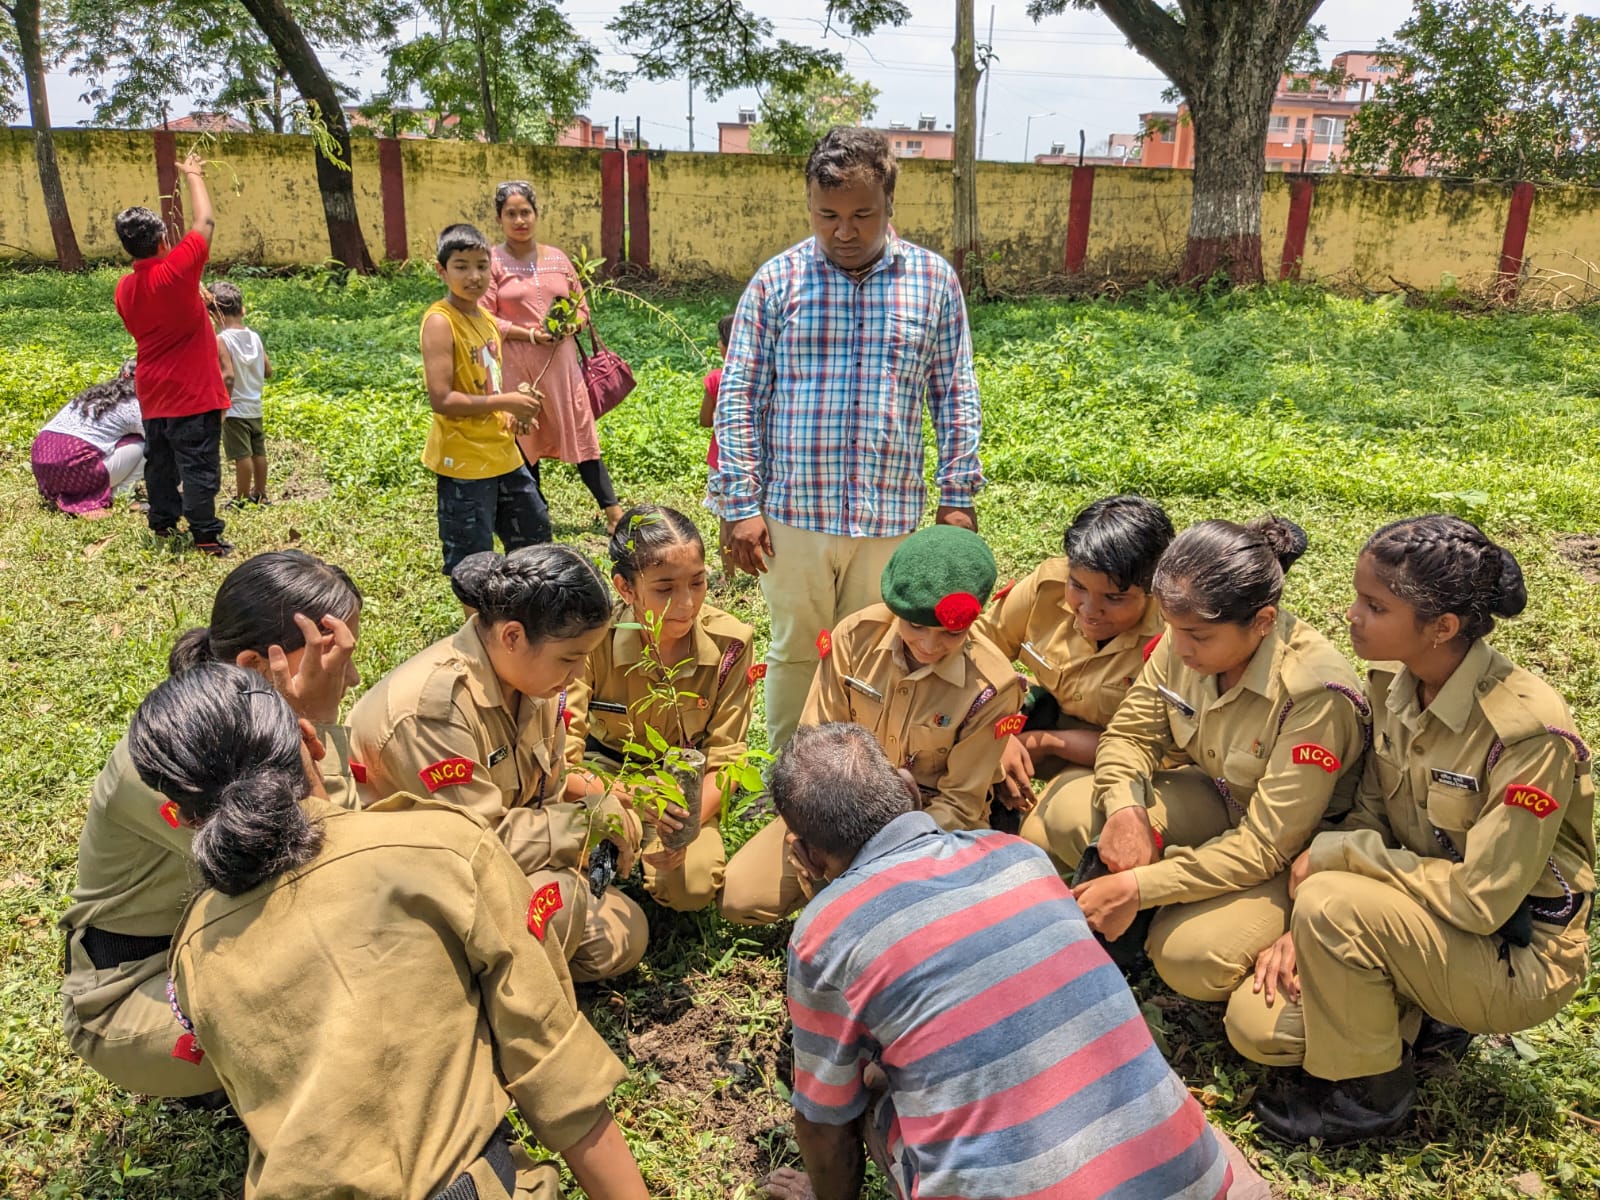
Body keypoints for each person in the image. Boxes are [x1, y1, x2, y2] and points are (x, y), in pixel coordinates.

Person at [138, 664, 651, 1200]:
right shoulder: (439, 847)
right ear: (310, 739)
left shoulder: (195, 948)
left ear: (180, 817)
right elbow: (558, 1076)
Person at [1230, 516, 1595, 1146]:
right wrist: (1305, 929)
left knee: (1329, 901)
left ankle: (1365, 1102)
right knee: (1259, 1029)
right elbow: (1375, 810)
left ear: (1443, 627)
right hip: (1428, 915)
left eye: (1375, 606)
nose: (1351, 616)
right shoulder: (1401, 687)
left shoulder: (1525, 734)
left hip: (1516, 952)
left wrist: (1341, 862)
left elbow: (1483, 900)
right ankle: (1423, 1011)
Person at [762, 722, 1236, 1200]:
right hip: (1191, 1180)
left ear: (806, 853)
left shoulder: (825, 933)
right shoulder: (1019, 856)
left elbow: (824, 1119)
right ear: (909, 791)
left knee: (870, 1089)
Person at [708, 126, 983, 753]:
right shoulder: (776, 283)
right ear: (810, 206)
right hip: (792, 514)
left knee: (877, 652)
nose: (844, 230)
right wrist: (740, 505)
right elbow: (740, 396)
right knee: (797, 651)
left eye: (863, 214)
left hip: (888, 514)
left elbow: (954, 392)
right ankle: (789, 776)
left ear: (890, 205)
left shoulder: (933, 282)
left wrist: (958, 493)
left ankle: (857, 780)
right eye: (826, 215)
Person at [58, 551, 361, 1098]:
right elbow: (336, 865)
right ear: (254, 666)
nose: (352, 676)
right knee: (352, 997)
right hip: (133, 994)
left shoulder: (248, 727)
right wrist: (317, 722)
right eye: (330, 659)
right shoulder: (181, 762)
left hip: (218, 946)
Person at [1063, 517, 1370, 1012]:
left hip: (1297, 855)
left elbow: (1268, 847)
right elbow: (1130, 735)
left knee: (1190, 956)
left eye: (1199, 638)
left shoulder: (1314, 694)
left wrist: (1141, 886)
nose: (1180, 648)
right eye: (1172, 629)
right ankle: (1133, 928)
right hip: (1221, 798)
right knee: (1073, 813)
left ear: (1264, 621)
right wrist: (1125, 810)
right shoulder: (1185, 629)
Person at [348, 545, 647, 983]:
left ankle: (495, 976)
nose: (579, 673)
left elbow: (548, 789)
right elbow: (474, 846)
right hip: (414, 892)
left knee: (621, 935)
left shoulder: (531, 679)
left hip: (498, 864)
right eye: (569, 658)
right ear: (512, 636)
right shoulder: (433, 711)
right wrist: (586, 827)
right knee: (561, 905)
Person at [720, 525, 1020, 925]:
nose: (929, 646)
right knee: (742, 898)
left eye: (950, 633)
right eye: (914, 626)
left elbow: (960, 804)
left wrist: (876, 857)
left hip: (926, 828)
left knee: (910, 927)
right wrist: (805, 832)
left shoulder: (991, 685)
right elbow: (814, 747)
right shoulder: (854, 637)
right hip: (835, 810)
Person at [564, 506, 756, 913]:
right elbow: (561, 762)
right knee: (570, 847)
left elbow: (727, 759)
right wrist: (631, 797)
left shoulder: (731, 644)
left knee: (692, 887)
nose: (686, 604)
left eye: (698, 583)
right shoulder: (592, 640)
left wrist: (684, 824)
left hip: (685, 786)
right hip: (607, 772)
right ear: (626, 587)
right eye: (665, 589)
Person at [975, 494, 1174, 846]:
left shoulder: (1173, 637)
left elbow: (1159, 753)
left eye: (1114, 598)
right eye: (1078, 587)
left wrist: (1050, 743)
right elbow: (977, 652)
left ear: (1153, 591)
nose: (1090, 609)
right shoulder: (1046, 587)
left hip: (1123, 761)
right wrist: (997, 733)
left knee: (1046, 833)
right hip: (1047, 722)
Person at [485, 181, 624, 534]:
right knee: (524, 436)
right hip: (518, 364)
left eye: (525, 212)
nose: (520, 220)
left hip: (561, 366)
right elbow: (484, 318)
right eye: (511, 214)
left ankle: (613, 512)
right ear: (500, 219)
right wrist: (529, 333)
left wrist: (571, 325)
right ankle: (536, 513)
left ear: (536, 214)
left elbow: (581, 307)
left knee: (580, 431)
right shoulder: (490, 262)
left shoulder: (558, 258)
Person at [113, 148, 232, 556]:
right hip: (193, 394)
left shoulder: (124, 289)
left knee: (159, 463)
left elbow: (139, 330)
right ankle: (205, 534)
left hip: (152, 392)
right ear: (163, 239)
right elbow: (206, 222)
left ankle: (163, 523)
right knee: (199, 467)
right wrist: (193, 174)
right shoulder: (177, 270)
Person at [422, 222, 550, 576]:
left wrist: (513, 412)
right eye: (461, 266)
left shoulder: (487, 321)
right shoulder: (440, 322)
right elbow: (442, 399)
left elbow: (488, 388)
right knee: (472, 561)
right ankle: (477, 629)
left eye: (481, 266)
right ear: (442, 271)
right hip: (463, 460)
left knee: (535, 539)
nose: (473, 276)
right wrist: (507, 401)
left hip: (502, 453)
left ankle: (524, 617)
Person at [30, 359, 145, 518]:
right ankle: (121, 496)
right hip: (74, 467)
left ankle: (66, 493)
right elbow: (161, 444)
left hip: (43, 467)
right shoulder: (135, 405)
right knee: (147, 443)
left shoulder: (96, 395)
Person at [211, 280, 273, 509]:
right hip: (255, 406)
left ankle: (242, 497)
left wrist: (222, 407)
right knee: (259, 451)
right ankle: (262, 493)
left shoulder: (222, 340)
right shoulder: (255, 337)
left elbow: (227, 376)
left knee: (241, 456)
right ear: (242, 310)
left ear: (215, 314)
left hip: (235, 408)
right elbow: (268, 370)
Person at [699, 313, 736, 474]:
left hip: (720, 463)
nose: (718, 344)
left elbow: (705, 420)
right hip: (757, 463)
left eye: (721, 340)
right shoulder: (765, 379)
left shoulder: (716, 379)